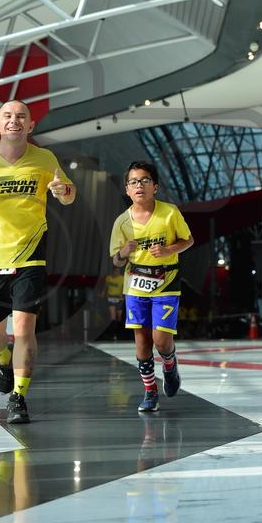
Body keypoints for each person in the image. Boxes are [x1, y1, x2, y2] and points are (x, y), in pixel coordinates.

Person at [0, 100, 76, 424]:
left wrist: (62, 190)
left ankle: (18, 397)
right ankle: (3, 359)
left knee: (23, 328)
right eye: (7, 116)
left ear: (30, 125)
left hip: (30, 255)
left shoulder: (45, 159)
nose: (14, 120)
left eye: (21, 116)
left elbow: (68, 195)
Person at [109, 161, 194, 413]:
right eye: (133, 182)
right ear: (127, 189)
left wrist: (168, 250)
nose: (139, 186)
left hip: (166, 282)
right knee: (142, 341)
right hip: (135, 285)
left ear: (155, 186)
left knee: (161, 340)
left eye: (145, 180)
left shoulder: (169, 213)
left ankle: (169, 364)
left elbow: (188, 240)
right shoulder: (121, 222)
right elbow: (115, 261)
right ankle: (150, 392)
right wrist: (123, 252)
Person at [102, 265, 125, 339]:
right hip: (111, 298)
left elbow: (124, 287)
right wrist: (103, 293)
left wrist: (122, 294)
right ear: (113, 271)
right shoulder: (109, 278)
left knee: (119, 317)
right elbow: (105, 287)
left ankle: (119, 333)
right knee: (113, 316)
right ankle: (113, 334)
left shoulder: (122, 278)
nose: (117, 273)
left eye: (118, 271)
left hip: (119, 299)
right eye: (115, 271)